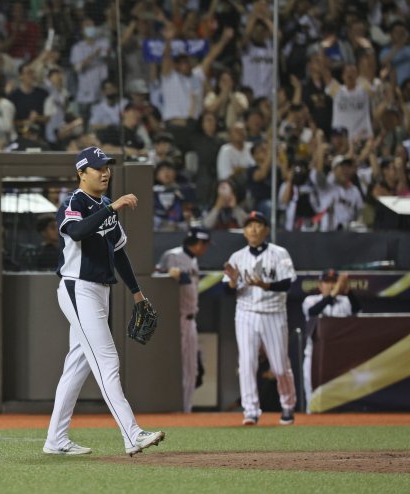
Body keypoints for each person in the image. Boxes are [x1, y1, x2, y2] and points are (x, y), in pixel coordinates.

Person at [44, 146, 165, 457]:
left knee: (77, 365)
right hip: (77, 288)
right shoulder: (74, 202)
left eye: (107, 166)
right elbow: (77, 231)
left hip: (101, 290)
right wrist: (113, 209)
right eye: (98, 167)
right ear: (82, 173)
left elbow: (119, 251)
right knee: (107, 361)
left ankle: (55, 440)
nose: (105, 172)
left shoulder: (106, 203)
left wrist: (137, 291)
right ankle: (132, 434)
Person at [222, 211, 297, 426]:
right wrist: (233, 282)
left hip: (274, 313)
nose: (253, 228)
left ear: (266, 230)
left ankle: (288, 405)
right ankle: (251, 410)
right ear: (244, 232)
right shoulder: (237, 257)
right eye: (249, 225)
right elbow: (225, 291)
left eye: (258, 224)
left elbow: (288, 283)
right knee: (246, 363)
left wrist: (266, 285)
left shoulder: (279, 253)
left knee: (280, 366)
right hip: (246, 314)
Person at [155, 227, 211, 413]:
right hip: (176, 319)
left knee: (192, 370)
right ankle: (178, 409)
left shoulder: (193, 259)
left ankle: (185, 409)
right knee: (181, 369)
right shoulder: (173, 255)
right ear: (199, 243)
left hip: (189, 319)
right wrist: (168, 274)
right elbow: (156, 278)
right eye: (205, 244)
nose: (206, 249)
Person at [301, 269, 360, 412]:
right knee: (313, 399)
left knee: (340, 401)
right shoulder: (311, 300)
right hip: (314, 357)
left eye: (334, 282)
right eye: (327, 282)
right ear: (320, 285)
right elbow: (313, 312)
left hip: (339, 359)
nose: (331, 285)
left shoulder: (345, 301)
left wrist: (348, 291)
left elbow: (358, 310)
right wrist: (333, 293)